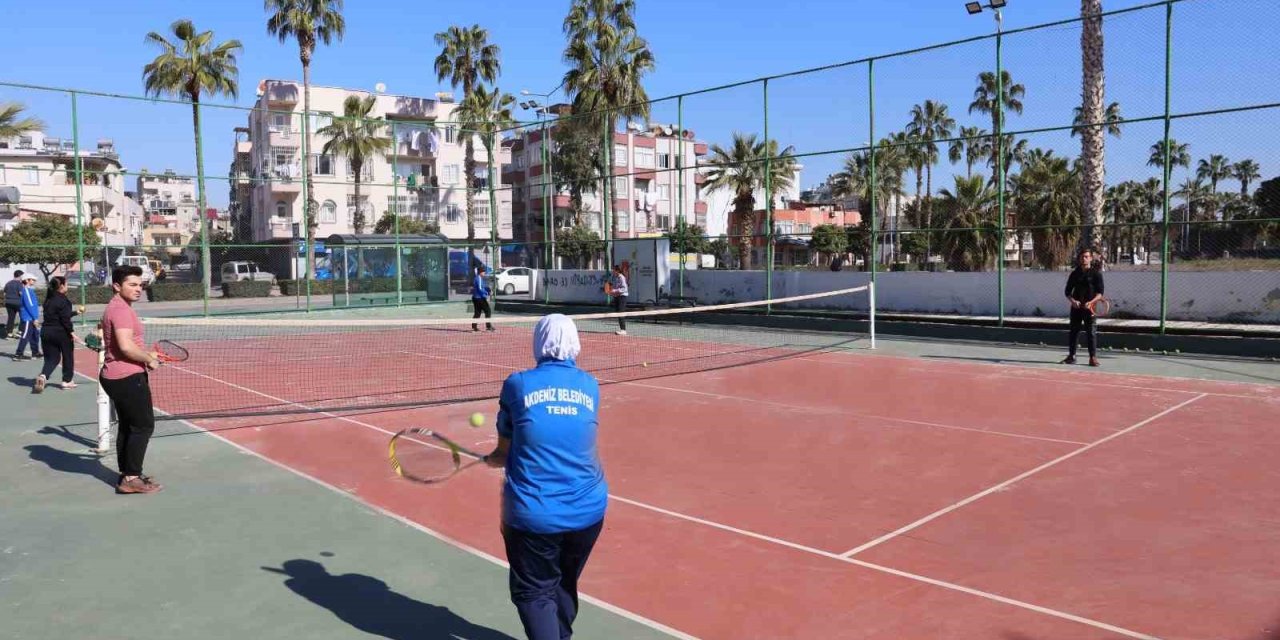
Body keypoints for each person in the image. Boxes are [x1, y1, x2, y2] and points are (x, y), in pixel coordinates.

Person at [483, 314, 607, 640]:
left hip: (534, 515)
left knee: (534, 593)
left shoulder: (517, 384)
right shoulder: (590, 386)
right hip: (589, 512)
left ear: (537, 342)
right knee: (564, 583)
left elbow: (505, 447)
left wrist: (494, 458)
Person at [100, 265, 163, 495]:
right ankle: (132, 478)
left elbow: (124, 344)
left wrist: (147, 355)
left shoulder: (118, 306)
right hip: (126, 377)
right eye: (132, 284)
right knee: (143, 426)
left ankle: (128, 473)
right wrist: (149, 359)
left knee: (128, 426)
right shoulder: (121, 310)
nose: (139, 289)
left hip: (116, 374)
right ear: (117, 286)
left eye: (140, 284)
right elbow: (126, 347)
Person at [34, 276, 80, 393]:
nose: (68, 286)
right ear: (62, 286)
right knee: (67, 356)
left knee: (52, 358)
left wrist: (75, 312)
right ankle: (67, 381)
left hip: (46, 332)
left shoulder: (48, 300)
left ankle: (43, 376)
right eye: (67, 284)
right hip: (61, 333)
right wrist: (72, 333)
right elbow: (65, 319)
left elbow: (58, 315)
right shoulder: (64, 300)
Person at [1063, 247, 1105, 367]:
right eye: (1082, 257)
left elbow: (1100, 293)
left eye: (1086, 257)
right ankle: (1072, 356)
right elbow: (1067, 292)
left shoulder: (1096, 274)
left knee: (1091, 333)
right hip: (1076, 309)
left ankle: (1092, 358)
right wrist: (1073, 301)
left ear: (1091, 258)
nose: (1084, 259)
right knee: (1073, 332)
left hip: (1090, 309)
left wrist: (1091, 302)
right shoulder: (1074, 274)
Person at [13, 275, 42, 361]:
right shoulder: (26, 290)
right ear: (27, 280)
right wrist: (35, 318)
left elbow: (33, 305)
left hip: (31, 317)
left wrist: (35, 317)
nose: (34, 281)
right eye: (32, 280)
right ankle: (18, 354)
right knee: (25, 335)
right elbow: (30, 305)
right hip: (28, 318)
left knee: (35, 335)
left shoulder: (29, 290)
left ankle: (35, 353)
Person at [471, 265, 495, 332]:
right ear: (480, 272)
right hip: (479, 298)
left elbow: (483, 287)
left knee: (477, 313)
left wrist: (488, 290)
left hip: (476, 298)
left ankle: (474, 327)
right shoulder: (478, 278)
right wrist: (487, 293)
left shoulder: (479, 278)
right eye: (483, 272)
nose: (484, 273)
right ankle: (488, 327)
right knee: (488, 311)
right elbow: (480, 289)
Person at [606, 265, 628, 336]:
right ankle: (622, 329)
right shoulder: (614, 277)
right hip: (617, 297)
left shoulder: (621, 277)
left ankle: (623, 330)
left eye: (614, 270)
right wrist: (611, 291)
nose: (613, 271)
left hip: (622, 297)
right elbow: (612, 286)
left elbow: (624, 289)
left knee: (621, 313)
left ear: (617, 271)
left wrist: (615, 290)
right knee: (618, 313)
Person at [4, 269, 24, 338]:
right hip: (18, 303)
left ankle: (9, 334)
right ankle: (20, 332)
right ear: (20, 276)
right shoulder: (19, 284)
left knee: (11, 318)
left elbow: (4, 293)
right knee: (23, 317)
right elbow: (21, 293)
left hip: (8, 303)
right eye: (22, 276)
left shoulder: (8, 283)